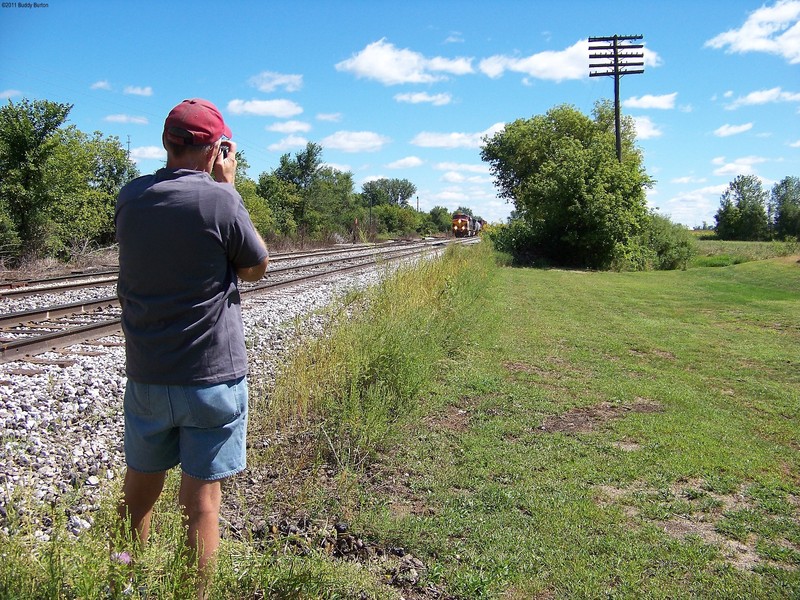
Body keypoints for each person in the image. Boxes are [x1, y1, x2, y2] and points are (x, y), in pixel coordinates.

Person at [114, 98, 269, 597]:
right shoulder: (221, 200)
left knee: (138, 496)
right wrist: (228, 184)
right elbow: (254, 266)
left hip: (147, 376)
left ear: (166, 142)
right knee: (200, 503)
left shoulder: (130, 197)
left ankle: (123, 583)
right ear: (216, 149)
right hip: (210, 379)